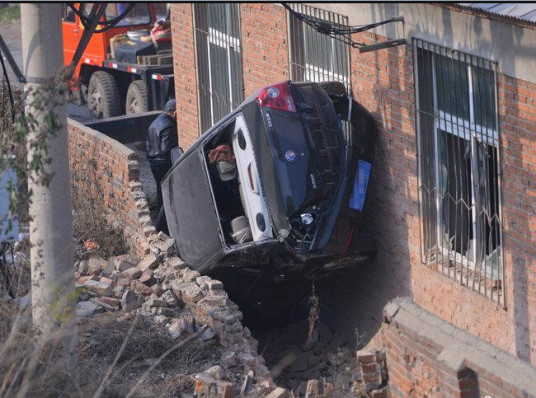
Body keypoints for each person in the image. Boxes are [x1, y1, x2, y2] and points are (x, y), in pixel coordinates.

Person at [146, 99, 178, 234]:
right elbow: (167, 149)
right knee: (169, 194)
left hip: (153, 162)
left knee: (160, 192)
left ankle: (159, 220)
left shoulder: (154, 123)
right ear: (175, 113)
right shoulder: (169, 126)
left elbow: (146, 146)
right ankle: (162, 226)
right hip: (164, 163)